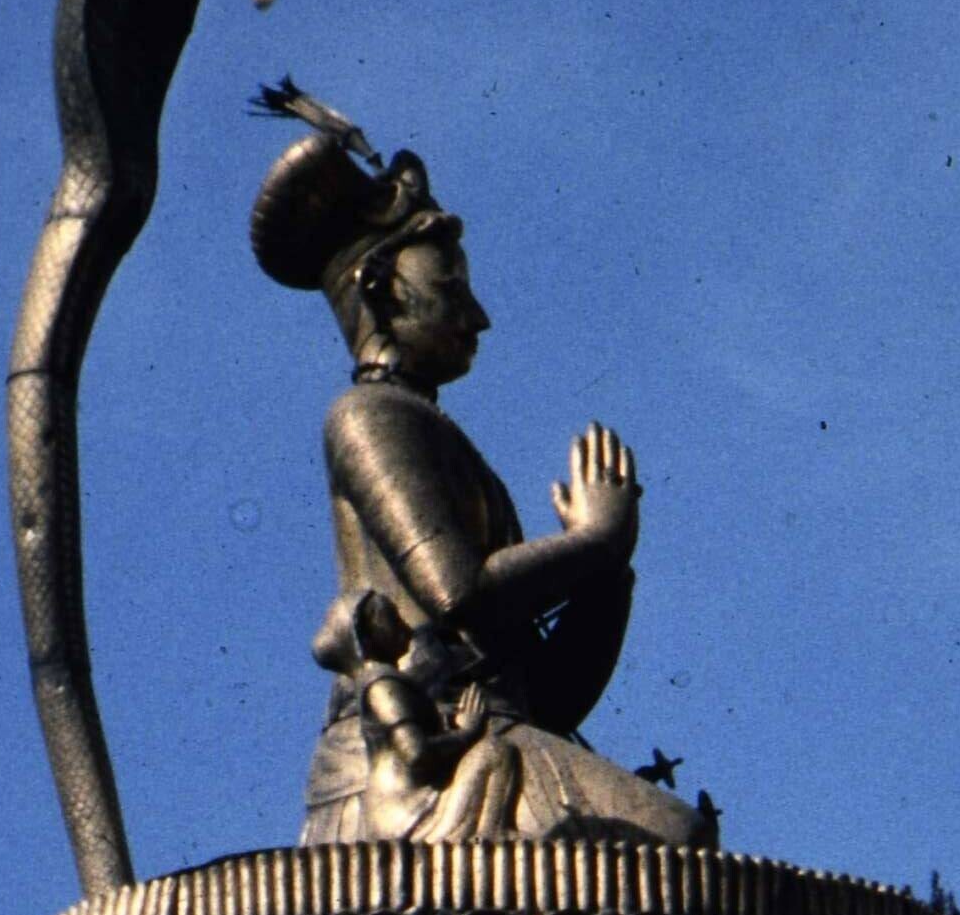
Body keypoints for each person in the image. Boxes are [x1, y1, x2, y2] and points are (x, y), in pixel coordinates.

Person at [249, 90, 700, 845]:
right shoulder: (368, 417)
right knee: (670, 843)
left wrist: (604, 573)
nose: (478, 315)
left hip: (492, 736)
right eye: (450, 287)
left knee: (673, 845)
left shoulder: (434, 435)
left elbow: (550, 697)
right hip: (421, 758)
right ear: (379, 287)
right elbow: (456, 594)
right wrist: (592, 542)